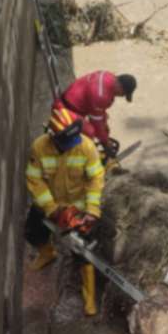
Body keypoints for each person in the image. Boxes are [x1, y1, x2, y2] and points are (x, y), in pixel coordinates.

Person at [25, 106, 105, 316]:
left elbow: (96, 179)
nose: (70, 146)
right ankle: (47, 253)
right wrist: (51, 208)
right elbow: (35, 180)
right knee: (32, 231)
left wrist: (91, 210)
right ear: (53, 136)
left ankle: (89, 296)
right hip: (50, 201)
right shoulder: (39, 148)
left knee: (83, 250)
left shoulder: (86, 147)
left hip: (78, 204)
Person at [55, 71, 137, 160]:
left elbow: (100, 115)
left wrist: (105, 131)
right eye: (123, 94)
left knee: (104, 120)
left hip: (73, 103)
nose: (121, 96)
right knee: (90, 132)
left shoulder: (108, 76)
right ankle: (83, 163)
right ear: (120, 88)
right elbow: (96, 124)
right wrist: (105, 143)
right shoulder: (101, 95)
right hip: (65, 110)